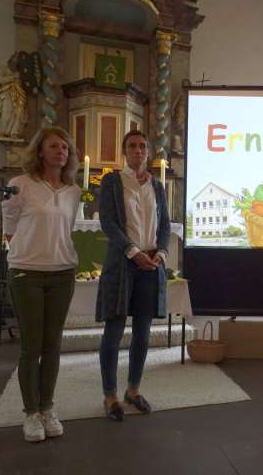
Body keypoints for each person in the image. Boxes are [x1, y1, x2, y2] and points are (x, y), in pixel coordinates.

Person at [2, 126, 81, 442]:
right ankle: (30, 414)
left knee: (53, 346)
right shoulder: (19, 185)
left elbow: (67, 229)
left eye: (64, 147)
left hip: (62, 272)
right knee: (30, 347)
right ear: (40, 151)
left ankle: (47, 408)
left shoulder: (72, 191)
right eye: (53, 146)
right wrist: (28, 253)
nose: (60, 151)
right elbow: (9, 228)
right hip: (27, 273)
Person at [96, 129, 171, 421]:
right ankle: (110, 395)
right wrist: (133, 252)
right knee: (113, 332)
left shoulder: (158, 186)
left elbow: (164, 225)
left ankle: (133, 390)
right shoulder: (113, 181)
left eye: (143, 146)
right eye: (132, 146)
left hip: (152, 263)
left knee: (142, 332)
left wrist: (161, 253)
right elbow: (108, 223)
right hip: (123, 263)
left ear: (148, 152)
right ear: (124, 151)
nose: (138, 151)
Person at [0, 52, 28, 139]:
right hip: (7, 94)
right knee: (7, 113)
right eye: (14, 61)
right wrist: (12, 78)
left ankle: (14, 133)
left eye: (17, 62)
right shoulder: (3, 69)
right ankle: (5, 132)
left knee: (19, 113)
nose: (15, 64)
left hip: (19, 94)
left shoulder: (20, 72)